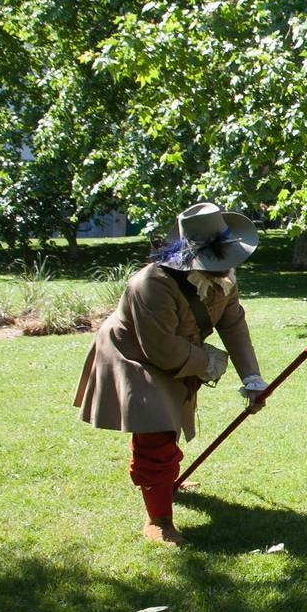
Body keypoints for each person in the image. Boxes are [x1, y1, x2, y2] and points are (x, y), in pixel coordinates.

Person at [73, 202, 269, 546]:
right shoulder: (151, 284)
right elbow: (160, 349)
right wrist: (207, 361)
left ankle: (166, 484)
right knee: (155, 432)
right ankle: (158, 519)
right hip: (133, 355)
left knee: (170, 421)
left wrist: (251, 378)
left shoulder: (223, 277)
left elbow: (233, 323)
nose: (225, 269)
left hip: (176, 349)